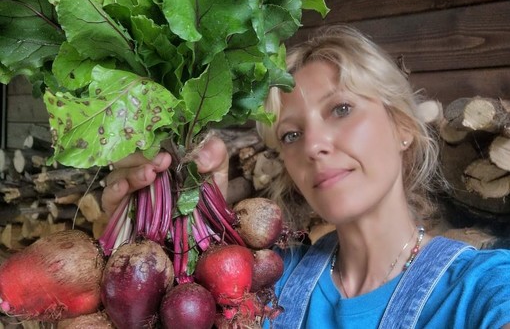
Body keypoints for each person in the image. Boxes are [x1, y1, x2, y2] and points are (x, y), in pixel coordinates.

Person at [102, 25, 510, 328]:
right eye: (292, 134)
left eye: (341, 109)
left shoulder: (482, 288)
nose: (313, 146)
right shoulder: (264, 280)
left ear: (403, 127)